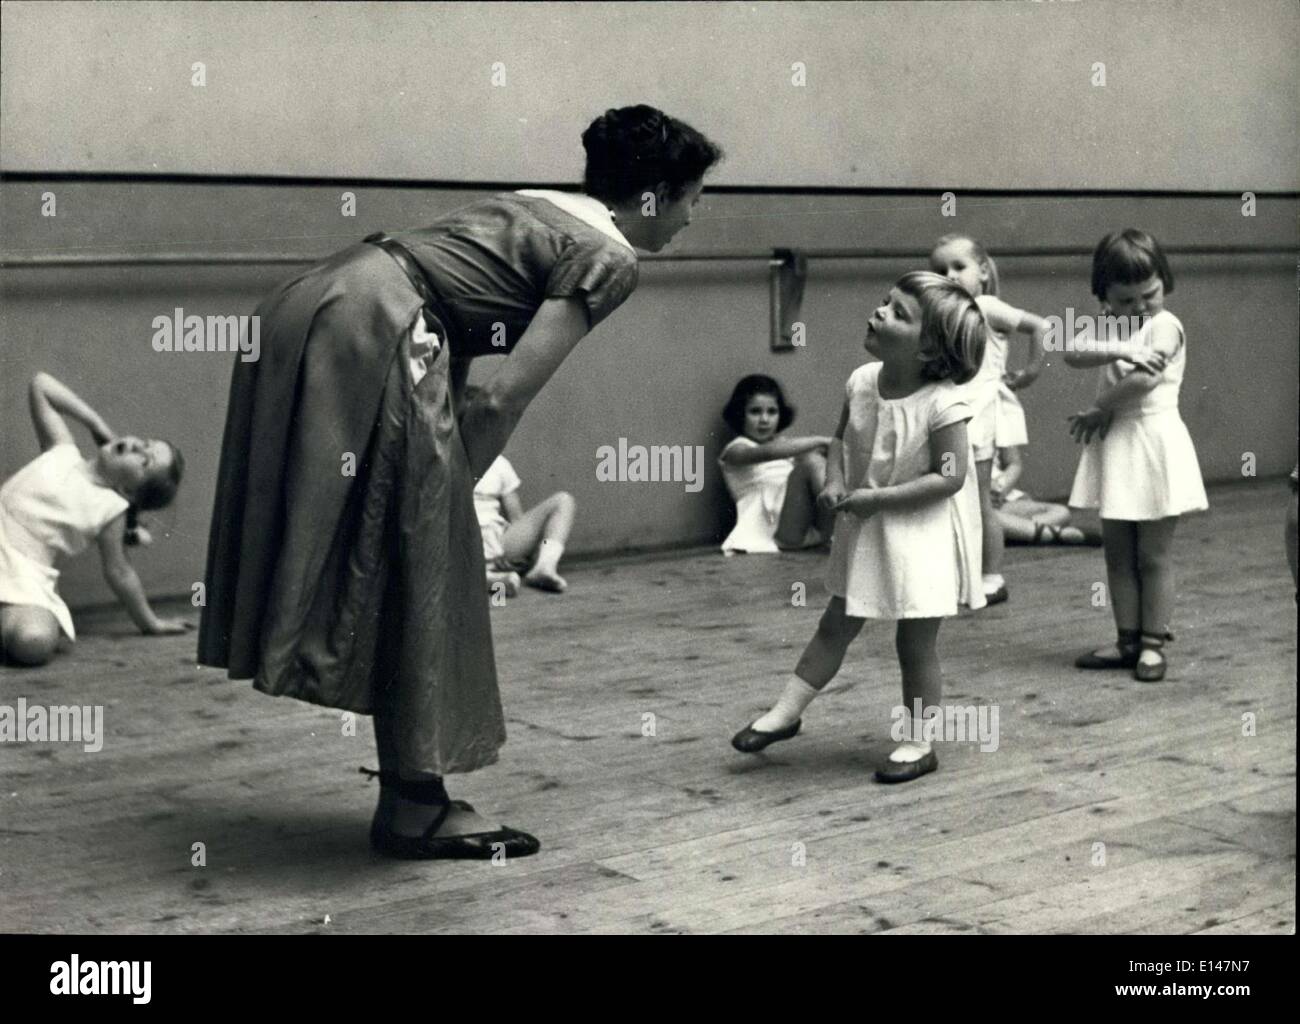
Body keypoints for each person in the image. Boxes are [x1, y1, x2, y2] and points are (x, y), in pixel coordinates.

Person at [198, 104, 723, 859]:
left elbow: (458, 322)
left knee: (394, 559)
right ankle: (415, 807)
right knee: (428, 569)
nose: (690, 220)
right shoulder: (610, 258)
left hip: (313, 303)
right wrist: (447, 505)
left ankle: (411, 793)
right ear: (656, 196)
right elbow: (499, 396)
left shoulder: (538, 207)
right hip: (377, 325)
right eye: (692, 200)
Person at [730, 272, 986, 784]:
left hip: (922, 533)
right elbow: (840, 441)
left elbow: (951, 478)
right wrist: (835, 481)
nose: (878, 313)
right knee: (835, 622)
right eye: (883, 301)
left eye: (897, 313)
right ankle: (785, 713)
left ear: (929, 349)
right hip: (867, 520)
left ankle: (918, 742)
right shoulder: (862, 380)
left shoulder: (943, 404)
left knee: (914, 644)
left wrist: (877, 499)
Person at [1066, 229, 1208, 682]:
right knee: (1117, 553)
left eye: (1150, 293)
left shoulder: (1167, 324)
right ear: (1104, 298)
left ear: (1163, 281)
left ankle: (1153, 643)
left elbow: (1147, 380)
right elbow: (1071, 350)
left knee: (1153, 555)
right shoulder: (1115, 328)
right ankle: (1126, 638)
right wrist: (1124, 343)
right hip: (1118, 446)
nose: (1141, 307)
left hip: (1154, 441)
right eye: (1126, 301)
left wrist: (1099, 407)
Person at [1, 373, 187, 666]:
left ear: (129, 491)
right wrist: (96, 423)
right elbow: (41, 384)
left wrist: (149, 622)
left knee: (32, 642)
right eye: (146, 442)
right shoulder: (62, 450)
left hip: (22, 575)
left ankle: (19, 621)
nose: (138, 446)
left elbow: (120, 572)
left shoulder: (110, 507)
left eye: (145, 460)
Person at [929, 234, 1050, 606]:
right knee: (951, 496)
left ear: (982, 271)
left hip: (979, 412)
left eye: (958, 267)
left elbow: (1042, 326)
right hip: (952, 411)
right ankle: (961, 572)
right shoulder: (944, 313)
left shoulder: (985, 304)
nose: (949, 276)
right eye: (940, 270)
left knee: (980, 499)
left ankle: (992, 576)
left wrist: (1031, 370)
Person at [717, 374, 833, 554]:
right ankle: (847, 528)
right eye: (755, 412)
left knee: (819, 460)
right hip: (774, 531)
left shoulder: (785, 447)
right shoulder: (735, 450)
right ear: (740, 414)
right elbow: (768, 452)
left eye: (772, 412)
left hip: (805, 524)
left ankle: (846, 524)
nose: (764, 419)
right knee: (811, 461)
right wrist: (822, 441)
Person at [473, 452, 575, 596]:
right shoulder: (443, 460)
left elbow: (516, 518)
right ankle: (488, 579)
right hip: (460, 542)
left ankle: (544, 568)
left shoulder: (499, 463)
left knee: (563, 501)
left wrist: (521, 556)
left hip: (497, 541)